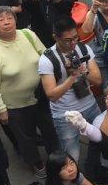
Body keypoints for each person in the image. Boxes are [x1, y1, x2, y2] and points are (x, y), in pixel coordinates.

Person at [0, 6, 59, 176]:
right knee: (26, 138)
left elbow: (45, 54)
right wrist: (0, 109)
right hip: (15, 105)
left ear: (15, 20)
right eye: (0, 20)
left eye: (9, 18)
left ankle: (57, 159)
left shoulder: (27, 34)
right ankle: (37, 164)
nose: (6, 22)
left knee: (49, 129)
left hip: (40, 95)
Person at [39, 17, 102, 162]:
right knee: (71, 159)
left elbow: (98, 80)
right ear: (55, 37)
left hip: (90, 105)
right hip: (65, 115)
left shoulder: (83, 48)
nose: (73, 43)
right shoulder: (47, 59)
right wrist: (72, 77)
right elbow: (52, 95)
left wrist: (83, 72)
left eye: (75, 38)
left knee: (102, 144)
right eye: (68, 40)